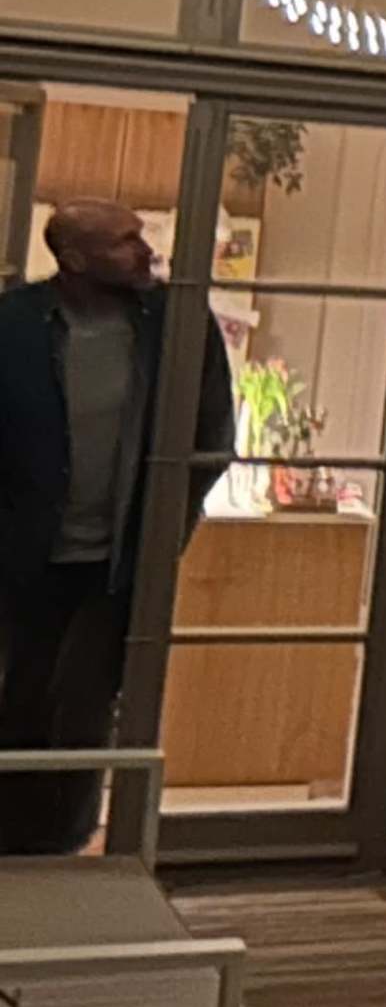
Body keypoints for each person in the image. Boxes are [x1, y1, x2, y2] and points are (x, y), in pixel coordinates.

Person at [0, 201, 233, 852]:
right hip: (24, 559)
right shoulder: (14, 326)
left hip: (120, 564)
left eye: (142, 237)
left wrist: (163, 536)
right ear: (73, 259)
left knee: (84, 705)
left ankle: (62, 846)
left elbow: (211, 437)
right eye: (125, 242)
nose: (146, 252)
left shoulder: (178, 326)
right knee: (19, 699)